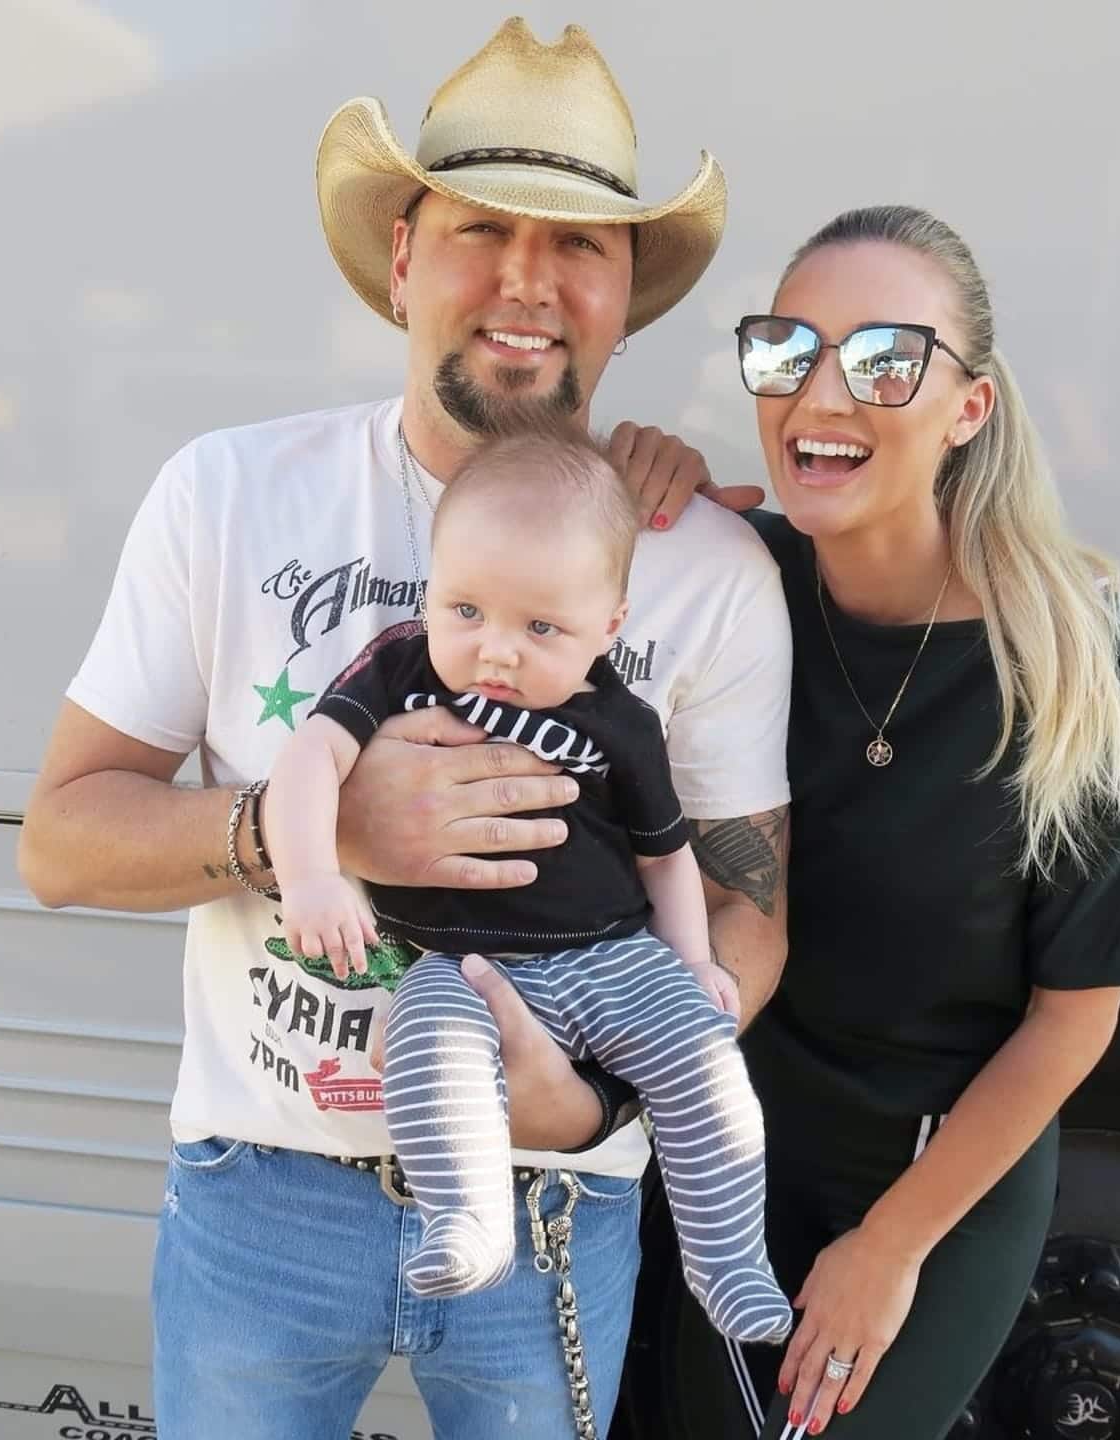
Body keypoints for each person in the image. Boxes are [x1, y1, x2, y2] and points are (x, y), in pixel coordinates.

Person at [17, 19, 791, 1440]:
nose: (526, 282)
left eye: (581, 245)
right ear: (399, 260)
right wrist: (307, 832)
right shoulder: (227, 496)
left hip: (557, 1206)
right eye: (478, 229)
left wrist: (602, 1096)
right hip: (263, 1200)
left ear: (630, 296)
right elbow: (61, 841)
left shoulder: (705, 567)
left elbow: (749, 907)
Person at [673, 204, 1120, 1439]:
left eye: (885, 358)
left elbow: (1074, 1019)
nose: (823, 392)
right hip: (713, 1155)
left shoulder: (1088, 657)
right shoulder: (723, 585)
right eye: (788, 350)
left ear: (969, 406)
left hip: (935, 1174)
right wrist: (634, 478)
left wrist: (888, 1247)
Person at [266, 425, 791, 1343]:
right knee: (426, 1042)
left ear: (608, 627)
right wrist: (312, 875)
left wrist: (695, 962)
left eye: (539, 627)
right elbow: (311, 757)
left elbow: (666, 855)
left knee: (707, 1067)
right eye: (465, 610)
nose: (495, 651)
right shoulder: (403, 668)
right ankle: (467, 1222)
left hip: (614, 957)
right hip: (462, 964)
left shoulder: (620, 719)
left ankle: (729, 1257)